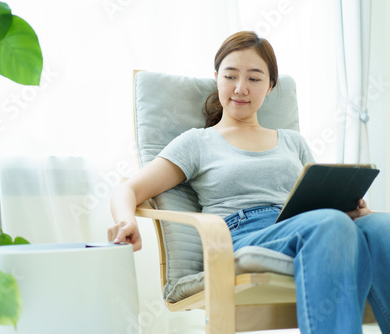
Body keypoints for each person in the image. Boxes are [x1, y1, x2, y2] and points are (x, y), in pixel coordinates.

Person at [108, 31, 390, 333]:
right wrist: (126, 222)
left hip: (305, 224)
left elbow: (314, 196)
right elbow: (129, 189)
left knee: (381, 226)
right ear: (216, 78)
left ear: (269, 86)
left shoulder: (294, 143)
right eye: (230, 76)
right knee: (330, 224)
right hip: (240, 234)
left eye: (254, 79)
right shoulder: (197, 142)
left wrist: (350, 208)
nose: (240, 88)